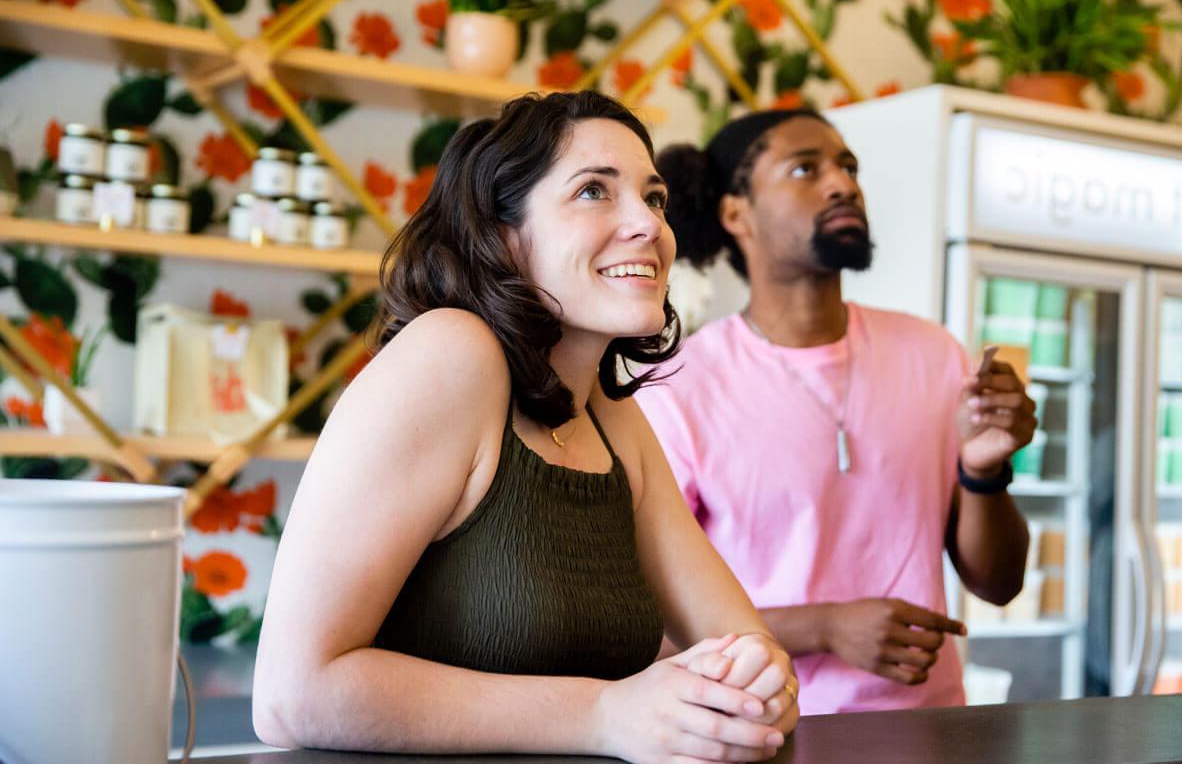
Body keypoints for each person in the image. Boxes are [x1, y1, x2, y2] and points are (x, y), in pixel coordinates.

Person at [252, 91, 798, 762]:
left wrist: (760, 684)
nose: (648, 225)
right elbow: (293, 693)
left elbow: (741, 640)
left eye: (653, 199)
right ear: (503, 236)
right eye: (595, 192)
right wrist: (603, 714)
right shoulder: (450, 354)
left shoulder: (608, 413)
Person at [636, 108, 1035, 715]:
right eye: (805, 168)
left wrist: (984, 472)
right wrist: (823, 627)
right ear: (735, 212)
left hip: (932, 733)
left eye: (848, 167)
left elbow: (998, 583)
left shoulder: (934, 355)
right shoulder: (680, 387)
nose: (842, 183)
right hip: (764, 735)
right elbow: (644, 631)